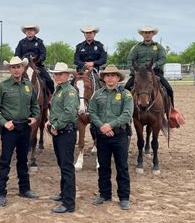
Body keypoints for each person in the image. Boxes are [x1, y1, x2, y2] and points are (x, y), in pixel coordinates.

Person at [0, 56, 40, 207]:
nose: (16, 69)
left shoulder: (28, 86)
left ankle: (24, 189)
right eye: (13, 67)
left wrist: (35, 117)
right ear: (9, 69)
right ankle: (1, 193)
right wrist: (4, 122)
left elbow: (34, 105)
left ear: (23, 68)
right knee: (5, 161)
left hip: (24, 127)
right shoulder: (2, 87)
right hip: (10, 129)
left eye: (19, 67)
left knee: (23, 160)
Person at [88, 64, 133, 210]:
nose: (110, 78)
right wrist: (102, 126)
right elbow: (92, 112)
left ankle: (124, 197)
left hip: (119, 135)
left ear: (118, 77)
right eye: (107, 75)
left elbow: (127, 114)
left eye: (113, 75)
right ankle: (104, 194)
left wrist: (110, 125)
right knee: (103, 166)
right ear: (104, 78)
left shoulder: (126, 94)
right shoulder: (97, 94)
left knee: (122, 166)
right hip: (102, 136)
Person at [44, 62, 79, 213]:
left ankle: (69, 203)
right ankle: (64, 193)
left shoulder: (69, 91)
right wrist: (50, 121)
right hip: (59, 132)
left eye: (60, 74)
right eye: (55, 74)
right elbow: (57, 111)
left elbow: (69, 112)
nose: (56, 76)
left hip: (65, 132)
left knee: (67, 167)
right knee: (62, 164)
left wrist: (55, 126)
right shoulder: (59, 90)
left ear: (67, 75)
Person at [125, 25, 175, 107]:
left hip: (154, 73)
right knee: (126, 88)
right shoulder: (136, 48)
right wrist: (134, 72)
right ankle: (126, 110)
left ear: (153, 34)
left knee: (169, 89)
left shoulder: (158, 47)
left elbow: (163, 59)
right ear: (142, 34)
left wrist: (155, 65)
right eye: (145, 33)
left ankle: (171, 110)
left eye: (149, 32)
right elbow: (130, 60)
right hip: (139, 73)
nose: (147, 34)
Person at [15, 24, 54, 94]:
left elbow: (43, 54)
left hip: (37, 65)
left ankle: (52, 98)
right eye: (27, 31)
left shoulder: (39, 42)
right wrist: (21, 62)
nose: (29, 32)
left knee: (49, 80)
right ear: (25, 32)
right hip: (24, 66)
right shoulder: (21, 43)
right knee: (12, 81)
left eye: (31, 30)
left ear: (35, 32)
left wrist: (38, 61)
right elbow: (17, 55)